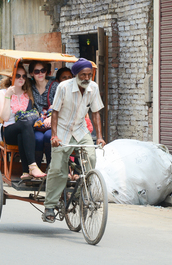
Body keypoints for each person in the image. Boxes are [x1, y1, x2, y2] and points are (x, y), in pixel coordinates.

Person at [43, 58, 106, 223]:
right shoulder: (63, 87)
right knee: (58, 169)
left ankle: (81, 194)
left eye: (89, 75)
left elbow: (96, 112)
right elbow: (55, 112)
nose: (86, 78)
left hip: (80, 129)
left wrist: (99, 136)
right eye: (83, 75)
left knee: (91, 157)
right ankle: (49, 206)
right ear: (75, 75)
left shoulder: (93, 88)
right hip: (62, 130)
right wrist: (54, 136)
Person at [0, 64, 46, 179]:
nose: (21, 79)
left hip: (24, 131)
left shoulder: (27, 94)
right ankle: (33, 166)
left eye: (24, 76)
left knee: (23, 132)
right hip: (8, 130)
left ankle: (25, 172)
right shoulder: (2, 93)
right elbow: (5, 118)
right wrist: (8, 96)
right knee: (24, 125)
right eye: (18, 76)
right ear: (11, 77)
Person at [29, 61, 58, 167]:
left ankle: (51, 167)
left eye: (43, 70)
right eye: (36, 71)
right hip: (37, 123)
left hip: (53, 122)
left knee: (48, 136)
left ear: (47, 72)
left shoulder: (54, 86)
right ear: (31, 73)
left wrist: (51, 117)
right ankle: (37, 168)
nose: (40, 73)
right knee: (38, 138)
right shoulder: (29, 87)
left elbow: (60, 104)